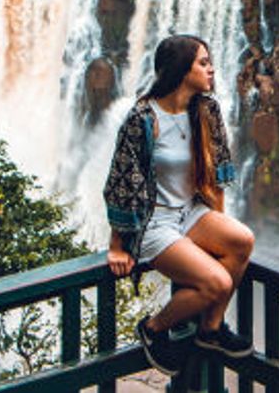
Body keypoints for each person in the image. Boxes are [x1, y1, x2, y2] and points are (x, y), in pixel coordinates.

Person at [103, 34, 255, 375]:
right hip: (154, 223)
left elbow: (218, 173)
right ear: (181, 70)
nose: (211, 69)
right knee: (217, 282)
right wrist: (117, 245)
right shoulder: (142, 117)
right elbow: (122, 181)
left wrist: (217, 233)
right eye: (203, 62)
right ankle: (153, 329)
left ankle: (210, 330)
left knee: (241, 240)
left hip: (192, 212)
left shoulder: (207, 109)